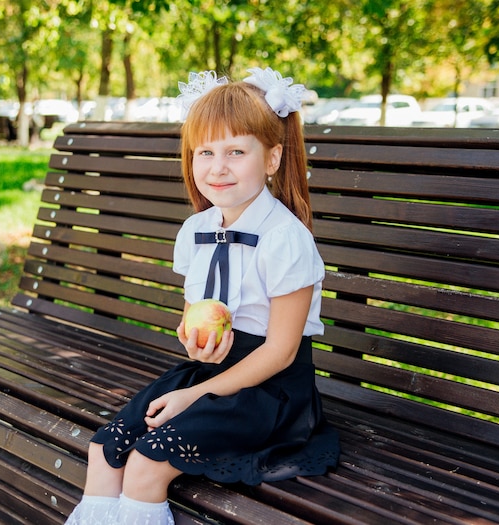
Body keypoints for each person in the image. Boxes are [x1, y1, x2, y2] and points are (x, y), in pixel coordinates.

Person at [65, 67, 339, 525]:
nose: (217, 167)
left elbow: (281, 351)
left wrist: (194, 396)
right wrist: (194, 342)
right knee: (105, 450)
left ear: (271, 158)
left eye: (236, 151)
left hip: (270, 391)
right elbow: (195, 317)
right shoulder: (195, 230)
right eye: (205, 151)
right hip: (212, 371)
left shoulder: (285, 239)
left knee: (147, 464)